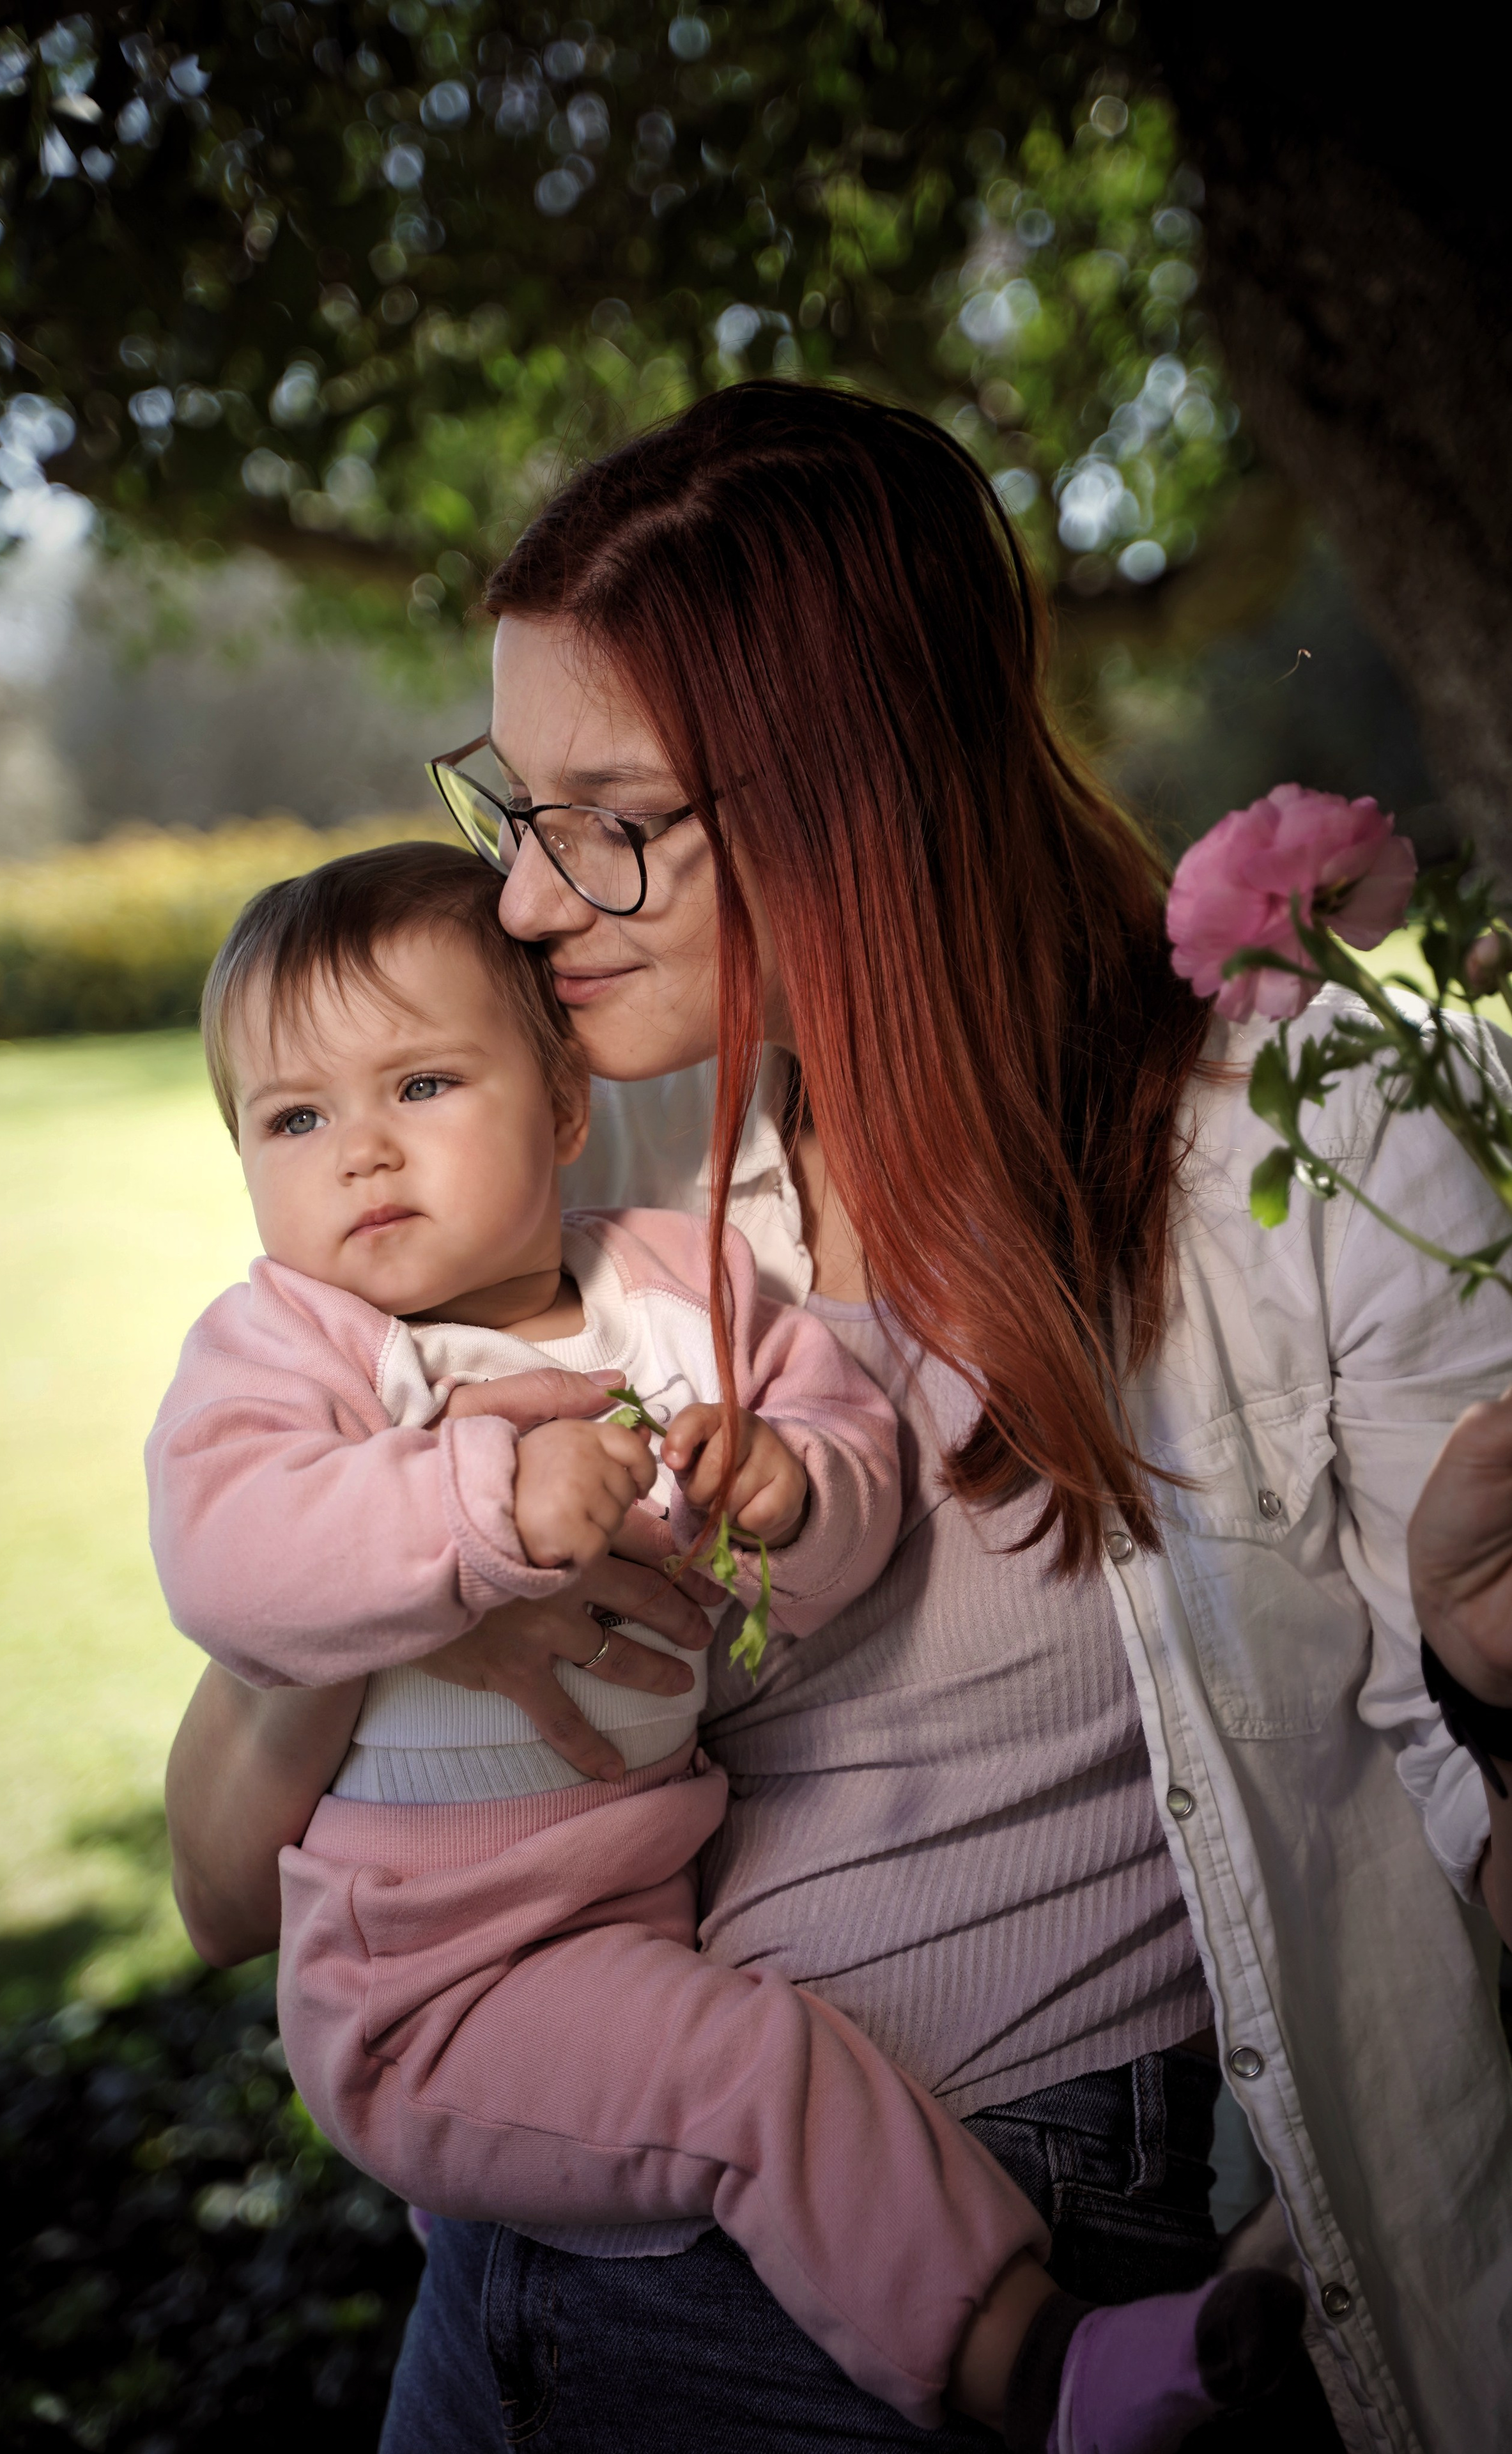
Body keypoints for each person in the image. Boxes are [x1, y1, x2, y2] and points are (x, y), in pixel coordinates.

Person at [164, 382, 1512, 2454]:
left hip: (964, 2248)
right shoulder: (632, 1182)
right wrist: (413, 1610)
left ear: (850, 793)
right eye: (511, 806)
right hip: (532, 2228)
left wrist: (1497, 1692)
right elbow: (225, 1886)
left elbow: (1469, 1840)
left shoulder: (1298, 1150)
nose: (521, 903)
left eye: (606, 819)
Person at [150, 838, 1307, 2454]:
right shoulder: (299, 1347)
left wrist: (787, 1492)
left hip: (630, 1913)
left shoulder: (669, 1277)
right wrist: (484, 1507)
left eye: (419, 1086)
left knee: (733, 2071)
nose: (361, 1154)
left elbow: (843, 1456)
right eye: (292, 1120)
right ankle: (1035, 2371)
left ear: (563, 1111)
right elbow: (227, 1559)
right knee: (753, 2076)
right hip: (428, 1970)